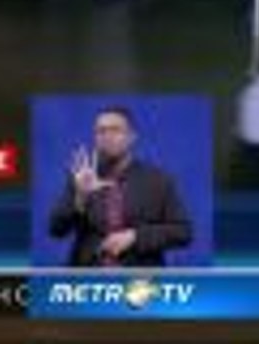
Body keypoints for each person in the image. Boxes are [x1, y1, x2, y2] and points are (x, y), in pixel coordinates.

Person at [49, 106, 192, 267]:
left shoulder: (159, 181)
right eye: (101, 131)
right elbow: (56, 230)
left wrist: (136, 237)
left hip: (140, 283)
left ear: (132, 137)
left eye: (115, 130)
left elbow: (183, 232)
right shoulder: (82, 177)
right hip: (88, 279)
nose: (107, 136)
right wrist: (80, 197)